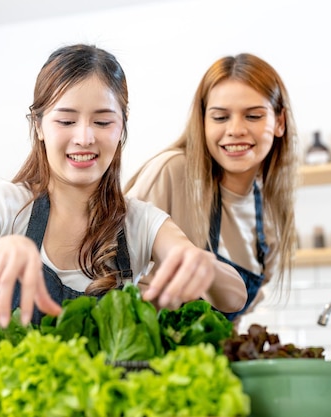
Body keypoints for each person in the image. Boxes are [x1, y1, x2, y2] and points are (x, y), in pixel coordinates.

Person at [0, 44, 247, 416]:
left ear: (121, 128)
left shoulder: (140, 223)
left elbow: (235, 296)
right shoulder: (3, 206)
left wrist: (201, 263)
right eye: (66, 121)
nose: (84, 137)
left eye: (102, 122)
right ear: (38, 126)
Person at [125, 53, 299, 326]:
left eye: (253, 116)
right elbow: (111, 274)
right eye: (220, 117)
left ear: (279, 122)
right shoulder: (172, 172)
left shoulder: (270, 217)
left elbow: (232, 323)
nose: (235, 130)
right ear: (203, 122)